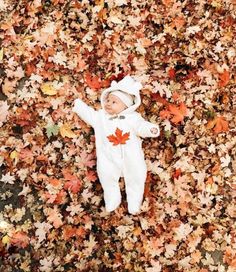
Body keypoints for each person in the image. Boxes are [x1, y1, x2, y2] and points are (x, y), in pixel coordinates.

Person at [72, 75, 160, 214]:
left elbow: (140, 126)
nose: (108, 104)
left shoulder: (132, 118)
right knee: (106, 175)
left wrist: (150, 129)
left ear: (125, 106)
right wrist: (79, 106)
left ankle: (134, 201)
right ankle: (112, 197)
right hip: (108, 156)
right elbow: (90, 115)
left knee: (136, 175)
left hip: (131, 156)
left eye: (114, 102)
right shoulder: (101, 118)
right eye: (108, 100)